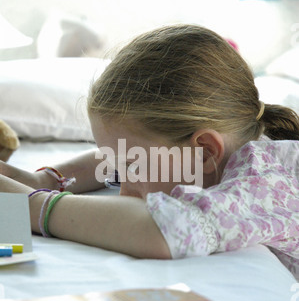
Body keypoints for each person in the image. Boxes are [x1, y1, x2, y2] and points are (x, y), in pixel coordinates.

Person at [0, 25, 299, 279]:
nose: (123, 192)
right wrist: (46, 180)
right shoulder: (212, 151)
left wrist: (29, 204)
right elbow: (124, 155)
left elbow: (163, 232)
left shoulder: (264, 182)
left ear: (206, 151)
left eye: (133, 168)